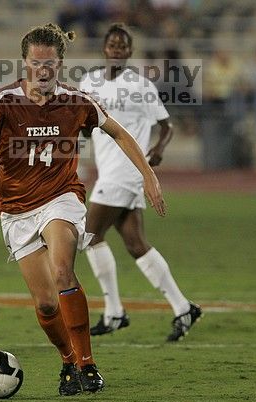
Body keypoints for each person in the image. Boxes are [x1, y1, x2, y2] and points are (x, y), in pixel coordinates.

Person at [0, 23, 166, 396]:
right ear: (25, 63)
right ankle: (68, 361)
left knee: (62, 271)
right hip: (16, 209)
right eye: (36, 63)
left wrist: (149, 176)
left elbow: (119, 132)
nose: (43, 71)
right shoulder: (3, 101)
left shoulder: (77, 101)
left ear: (60, 64)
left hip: (62, 197)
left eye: (51, 64)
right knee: (44, 305)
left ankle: (88, 364)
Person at [78, 23, 201, 342]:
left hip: (127, 170)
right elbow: (79, 123)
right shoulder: (88, 82)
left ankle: (115, 311)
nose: (117, 49)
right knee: (135, 244)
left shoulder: (141, 86)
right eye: (112, 44)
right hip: (107, 170)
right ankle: (182, 307)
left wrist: (158, 149)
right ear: (104, 49)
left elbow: (166, 125)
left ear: (130, 52)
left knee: (89, 235)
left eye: (123, 45)